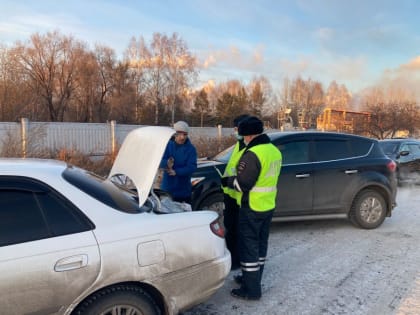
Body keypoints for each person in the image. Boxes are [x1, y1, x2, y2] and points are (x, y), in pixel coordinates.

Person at [222, 116, 282, 301]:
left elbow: (243, 184)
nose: (243, 138)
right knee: (260, 246)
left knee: (248, 248)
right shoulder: (273, 151)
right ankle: (252, 278)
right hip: (268, 205)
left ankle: (251, 289)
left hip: (252, 207)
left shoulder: (253, 154)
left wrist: (228, 181)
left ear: (248, 135)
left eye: (243, 135)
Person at [222, 114, 250, 270]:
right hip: (230, 194)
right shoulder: (238, 145)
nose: (234, 131)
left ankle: (238, 260)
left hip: (240, 196)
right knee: (231, 229)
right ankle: (234, 258)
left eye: (236, 128)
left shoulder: (248, 147)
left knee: (239, 231)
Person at [159, 121, 197, 204]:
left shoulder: (191, 149)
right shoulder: (167, 145)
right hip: (167, 190)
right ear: (174, 133)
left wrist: (176, 172)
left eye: (185, 134)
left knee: (183, 216)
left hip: (183, 192)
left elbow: (192, 167)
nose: (182, 137)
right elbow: (158, 161)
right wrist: (167, 163)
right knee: (165, 216)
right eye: (179, 134)